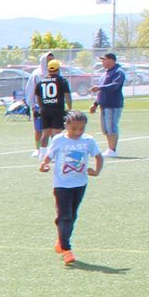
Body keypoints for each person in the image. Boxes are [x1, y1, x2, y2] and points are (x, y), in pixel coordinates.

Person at [36, 109, 104, 264]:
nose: (78, 132)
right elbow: (48, 157)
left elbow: (99, 157)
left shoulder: (88, 141)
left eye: (81, 128)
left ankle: (61, 239)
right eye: (74, 128)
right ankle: (67, 249)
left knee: (72, 216)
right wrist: (44, 165)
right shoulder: (59, 140)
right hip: (62, 185)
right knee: (65, 216)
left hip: (80, 184)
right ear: (66, 125)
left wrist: (97, 171)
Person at [89, 51, 125, 155]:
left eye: (104, 59)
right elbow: (101, 92)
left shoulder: (118, 72)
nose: (102, 62)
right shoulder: (105, 74)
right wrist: (95, 104)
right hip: (104, 105)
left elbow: (115, 86)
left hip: (113, 104)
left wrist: (99, 87)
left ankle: (113, 149)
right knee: (105, 128)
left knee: (111, 126)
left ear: (111, 60)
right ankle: (110, 148)